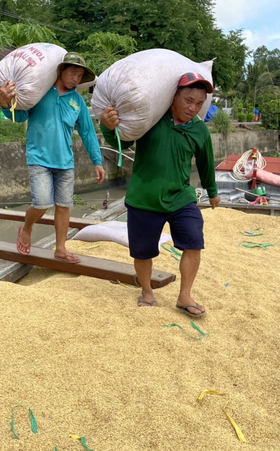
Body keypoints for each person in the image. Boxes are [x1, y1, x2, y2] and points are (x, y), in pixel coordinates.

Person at [100, 72, 221, 317]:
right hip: (144, 197)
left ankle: (185, 295)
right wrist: (108, 127)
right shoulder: (151, 117)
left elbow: (207, 163)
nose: (193, 108)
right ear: (173, 96)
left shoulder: (199, 130)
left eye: (199, 103)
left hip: (181, 197)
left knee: (193, 240)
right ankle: (147, 292)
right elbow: (124, 142)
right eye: (188, 100)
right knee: (142, 251)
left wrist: (213, 192)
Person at [0, 52, 106, 264]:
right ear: (61, 70)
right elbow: (19, 116)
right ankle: (26, 228)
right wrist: (4, 103)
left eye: (80, 75)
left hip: (65, 161)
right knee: (42, 203)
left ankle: (61, 249)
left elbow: (88, 132)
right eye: (73, 72)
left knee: (64, 206)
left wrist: (97, 161)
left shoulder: (77, 102)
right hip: (39, 158)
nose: (76, 78)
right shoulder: (40, 92)